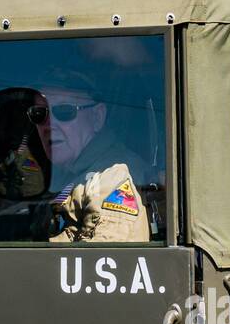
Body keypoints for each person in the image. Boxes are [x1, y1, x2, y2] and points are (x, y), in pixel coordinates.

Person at [32, 70, 154, 244]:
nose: (49, 125)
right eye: (40, 114)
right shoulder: (70, 174)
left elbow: (102, 263)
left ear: (97, 117)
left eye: (64, 111)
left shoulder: (112, 176)